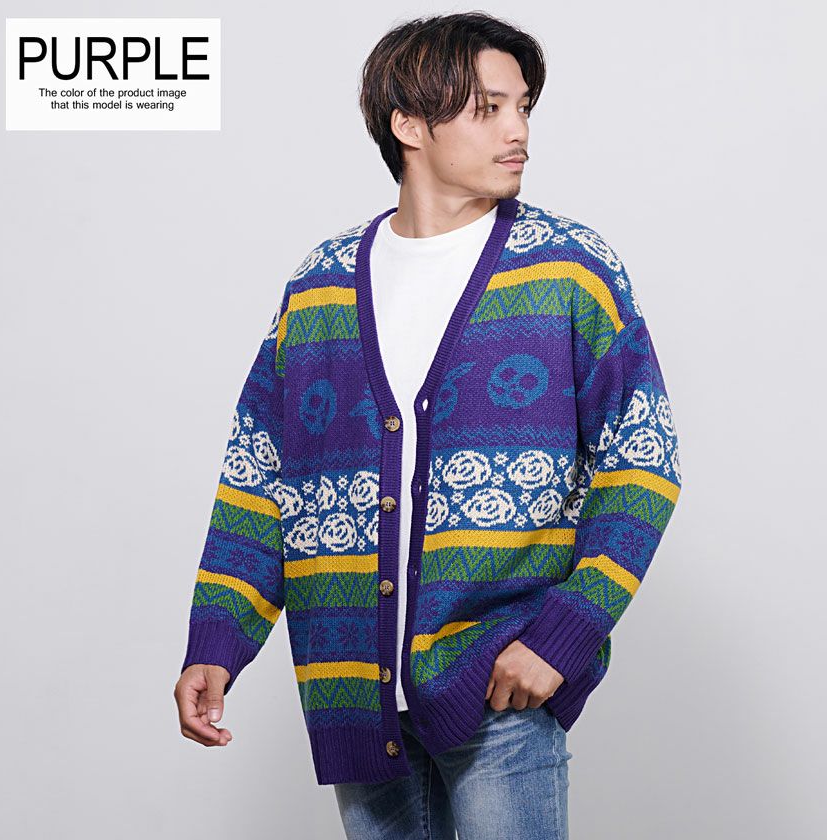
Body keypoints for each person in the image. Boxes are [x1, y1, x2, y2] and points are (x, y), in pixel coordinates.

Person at [174, 12, 682, 840]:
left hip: (500, 686)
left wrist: (565, 632)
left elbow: (644, 461)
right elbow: (260, 478)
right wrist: (217, 641)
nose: (518, 132)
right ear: (409, 124)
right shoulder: (320, 287)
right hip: (354, 694)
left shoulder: (568, 269)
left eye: (523, 108)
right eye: (489, 109)